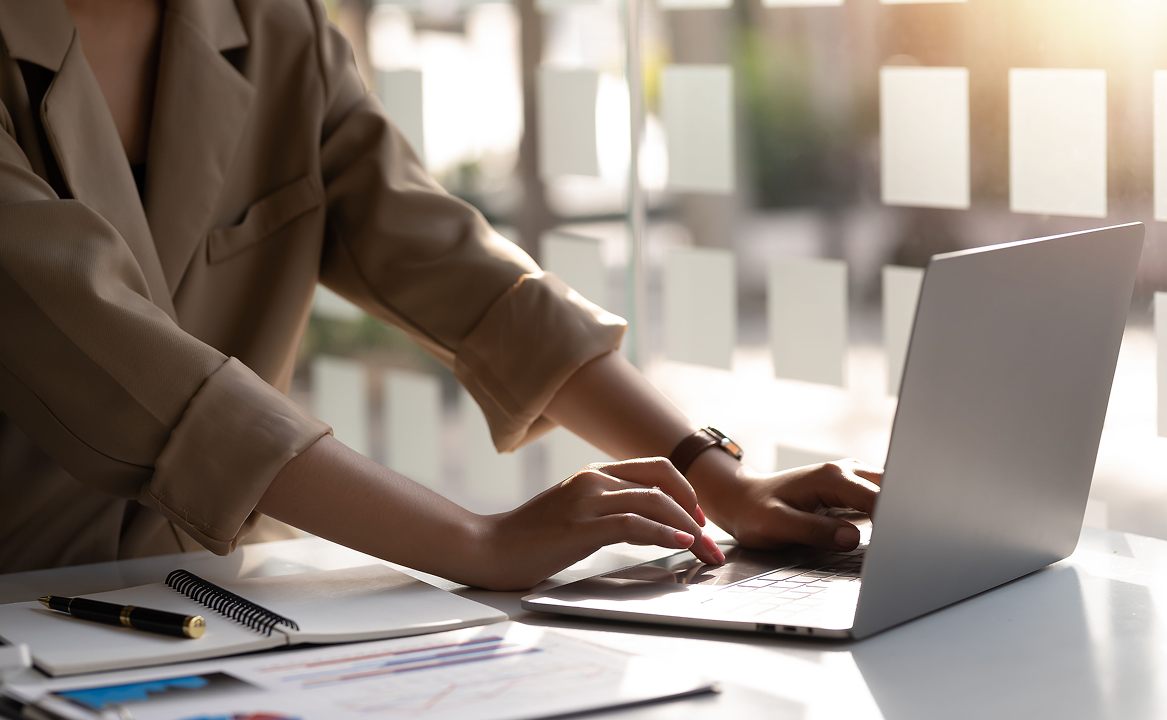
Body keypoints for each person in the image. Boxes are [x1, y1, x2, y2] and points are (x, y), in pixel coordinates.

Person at [0, 0, 882, 585]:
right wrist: (478, 542)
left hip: (214, 598)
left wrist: (718, 480)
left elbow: (447, 259)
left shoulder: (276, 27)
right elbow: (102, 344)